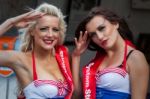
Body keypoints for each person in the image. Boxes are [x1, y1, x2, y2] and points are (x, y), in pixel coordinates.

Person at [71, 6, 149, 99]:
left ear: (115, 24)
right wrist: (76, 56)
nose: (99, 37)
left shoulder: (135, 57)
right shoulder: (97, 60)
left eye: (101, 28)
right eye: (93, 34)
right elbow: (77, 95)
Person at [0, 3, 73, 99]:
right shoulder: (21, 59)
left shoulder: (64, 54)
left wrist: (76, 57)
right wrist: (11, 22)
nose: (50, 34)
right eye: (44, 29)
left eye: (55, 29)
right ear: (32, 31)